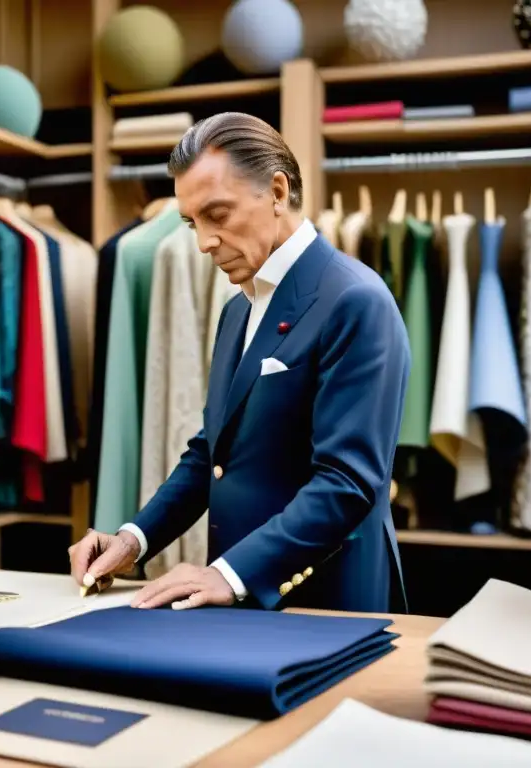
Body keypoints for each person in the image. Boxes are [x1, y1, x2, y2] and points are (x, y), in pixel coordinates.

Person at [69, 112, 410, 613]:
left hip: (327, 604)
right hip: (238, 603)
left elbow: (348, 482)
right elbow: (214, 451)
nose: (204, 242)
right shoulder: (237, 310)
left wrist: (229, 574)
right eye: (191, 224)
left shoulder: (356, 300)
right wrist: (134, 539)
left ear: (276, 191)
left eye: (218, 215)